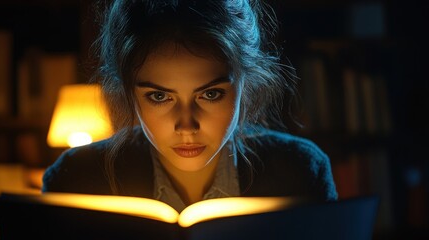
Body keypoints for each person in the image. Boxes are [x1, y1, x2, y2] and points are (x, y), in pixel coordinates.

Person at [42, 0, 338, 212]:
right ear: (129, 93)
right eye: (159, 97)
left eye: (210, 95)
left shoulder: (300, 173)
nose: (186, 125)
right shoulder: (76, 180)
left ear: (245, 84)